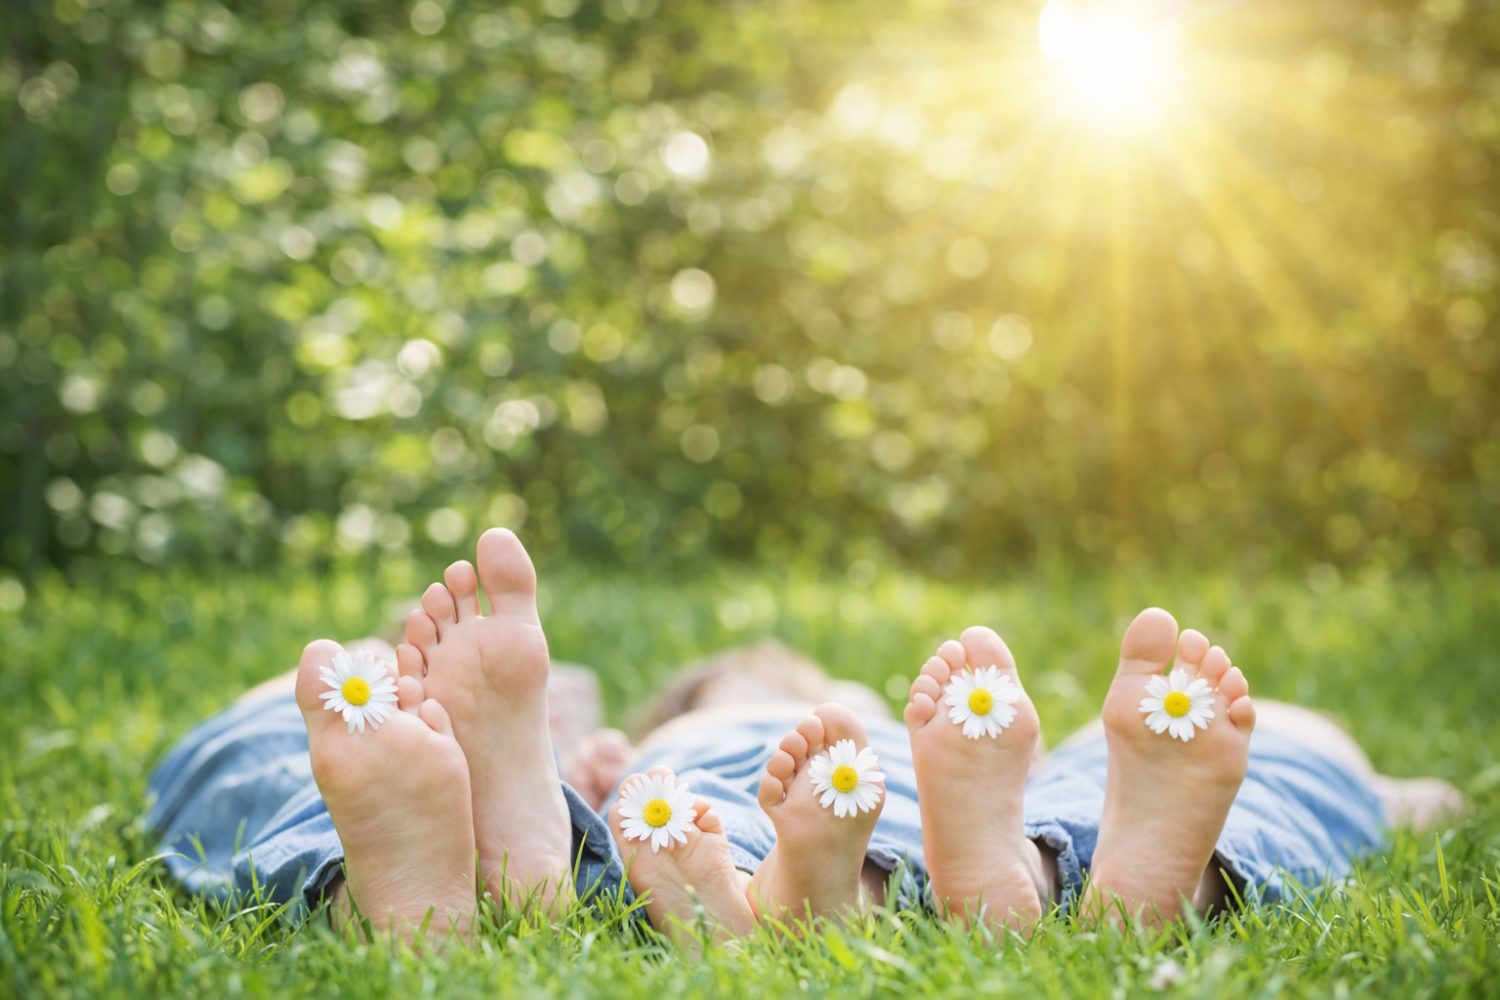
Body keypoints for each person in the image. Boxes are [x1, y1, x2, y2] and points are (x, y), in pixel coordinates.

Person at [145, 528, 1461, 942]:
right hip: (871, 786)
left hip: (642, 810)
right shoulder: (879, 727)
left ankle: (469, 868)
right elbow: (1403, 796)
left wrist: (561, 757)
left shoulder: (624, 762)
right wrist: (1401, 793)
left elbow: (588, 722)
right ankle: (1036, 872)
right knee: (1287, 747)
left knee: (306, 715)